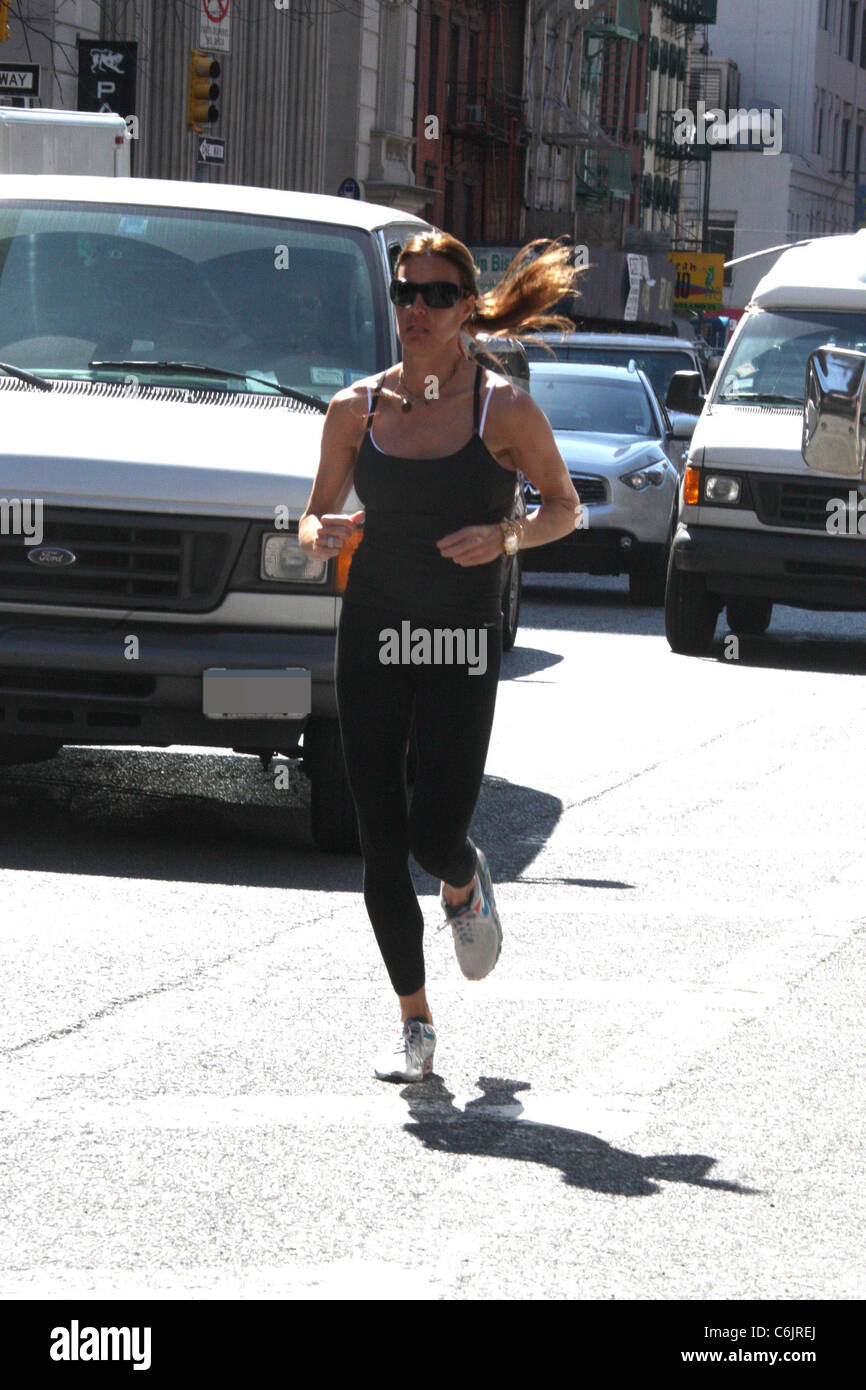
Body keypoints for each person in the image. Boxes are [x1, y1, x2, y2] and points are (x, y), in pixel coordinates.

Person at [299, 231, 582, 1081]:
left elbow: (564, 509)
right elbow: (311, 521)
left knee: (435, 834)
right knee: (380, 841)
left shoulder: (505, 411)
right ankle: (415, 1023)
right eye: (402, 293)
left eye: (433, 296)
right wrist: (325, 534)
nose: (413, 310)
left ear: (467, 309)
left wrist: (504, 535)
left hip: (459, 641)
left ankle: (463, 883)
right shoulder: (355, 409)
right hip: (374, 633)